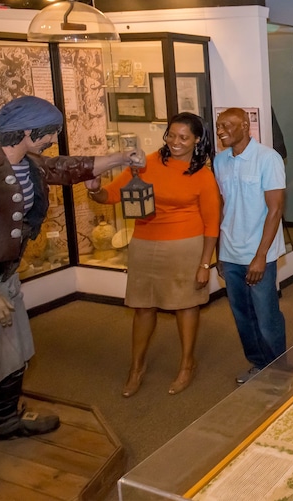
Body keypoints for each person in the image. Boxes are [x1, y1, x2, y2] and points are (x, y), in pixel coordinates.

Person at [0, 96, 141, 470]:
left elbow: (68, 167)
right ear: (27, 132)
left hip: (7, 275)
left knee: (13, 356)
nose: (52, 139)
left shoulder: (28, 164)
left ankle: (8, 422)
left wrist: (122, 158)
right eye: (49, 133)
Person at [86, 112, 220, 397]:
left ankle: (187, 365)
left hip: (186, 245)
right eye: (171, 135)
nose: (175, 142)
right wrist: (94, 190)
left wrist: (205, 263)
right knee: (143, 306)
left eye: (184, 137)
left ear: (197, 140)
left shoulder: (203, 174)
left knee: (186, 305)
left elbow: (212, 223)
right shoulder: (147, 163)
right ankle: (136, 368)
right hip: (145, 243)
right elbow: (111, 194)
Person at [214, 108, 287, 385]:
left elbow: (275, 209)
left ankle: (280, 370)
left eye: (227, 125)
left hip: (258, 254)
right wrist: (220, 251)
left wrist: (260, 256)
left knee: (267, 317)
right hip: (230, 253)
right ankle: (259, 365)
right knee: (242, 317)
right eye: (219, 126)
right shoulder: (220, 161)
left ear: (245, 125)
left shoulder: (267, 159)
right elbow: (223, 208)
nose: (221, 131)